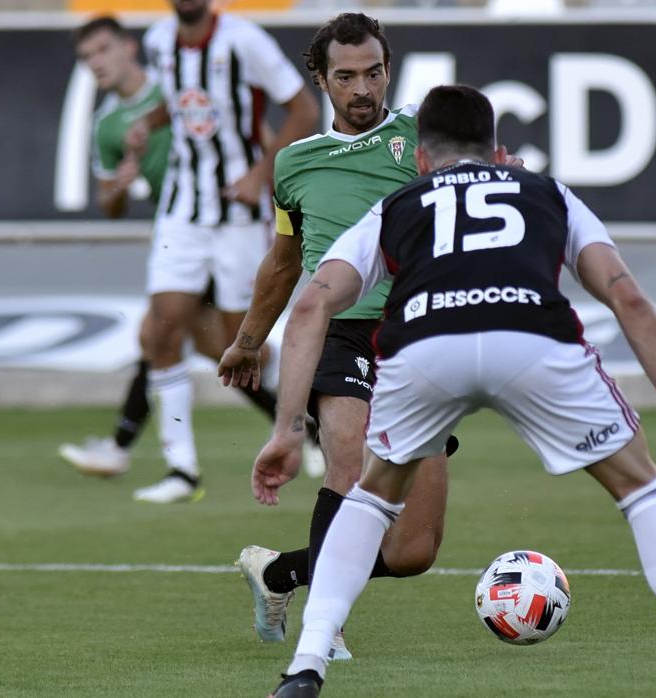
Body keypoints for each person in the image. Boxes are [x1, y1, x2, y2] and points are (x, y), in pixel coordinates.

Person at [249, 85, 656, 698]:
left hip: (425, 344)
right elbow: (627, 296)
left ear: (421, 160)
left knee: (371, 499)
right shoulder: (547, 192)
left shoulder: (398, 205)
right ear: (498, 152)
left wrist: (288, 428)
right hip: (532, 338)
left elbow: (313, 301)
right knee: (642, 489)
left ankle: (305, 671)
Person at [217, 13, 503, 659]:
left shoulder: (423, 137)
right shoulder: (295, 164)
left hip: (418, 335)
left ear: (388, 70)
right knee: (347, 455)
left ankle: (280, 573)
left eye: (373, 72)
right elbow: (284, 262)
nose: (362, 89)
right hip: (339, 330)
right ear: (320, 79)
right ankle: (327, 627)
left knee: (412, 552)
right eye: (345, 77)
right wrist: (247, 339)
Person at [59, 16, 322, 488]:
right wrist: (144, 132)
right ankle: (179, 468)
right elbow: (181, 112)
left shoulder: (241, 42)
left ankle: (312, 420)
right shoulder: (152, 58)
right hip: (181, 215)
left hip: (236, 216)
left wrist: (263, 176)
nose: (97, 63)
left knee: (241, 347)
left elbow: (289, 112)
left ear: (126, 49)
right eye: (88, 56)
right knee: (158, 330)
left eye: (103, 50)